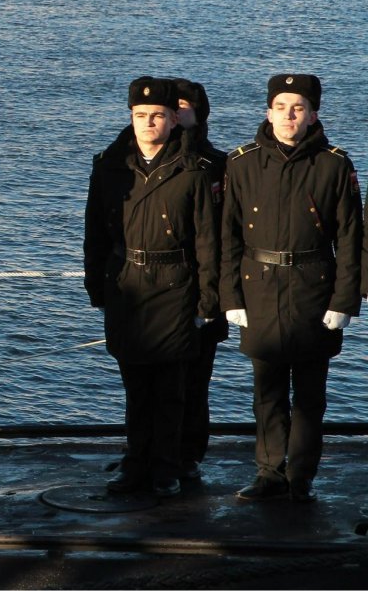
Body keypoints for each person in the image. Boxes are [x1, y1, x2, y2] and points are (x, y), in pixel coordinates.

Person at [221, 74, 362, 503]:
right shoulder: (241, 163)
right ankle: (268, 472)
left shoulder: (335, 164)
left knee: (310, 395)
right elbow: (226, 235)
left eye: (297, 107)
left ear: (313, 114)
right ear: (268, 112)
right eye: (280, 106)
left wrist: (345, 301)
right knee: (266, 392)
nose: (288, 115)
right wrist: (231, 298)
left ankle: (299, 477)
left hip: (312, 289)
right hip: (259, 287)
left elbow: (352, 238)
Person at [84, 77, 219, 498]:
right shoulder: (109, 167)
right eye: (140, 116)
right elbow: (94, 234)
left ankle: (166, 466)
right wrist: (97, 288)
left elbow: (207, 242)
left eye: (157, 115)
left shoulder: (193, 170)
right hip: (127, 283)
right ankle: (136, 463)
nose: (148, 123)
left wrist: (208, 299)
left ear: (173, 119)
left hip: (175, 285)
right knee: (135, 386)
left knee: (171, 389)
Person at [171, 78, 228, 482]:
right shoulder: (134, 160)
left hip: (201, 285)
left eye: (184, 107)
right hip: (157, 285)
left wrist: (217, 297)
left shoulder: (218, 164)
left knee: (196, 379)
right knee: (150, 377)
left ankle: (188, 455)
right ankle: (148, 450)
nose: (176, 115)